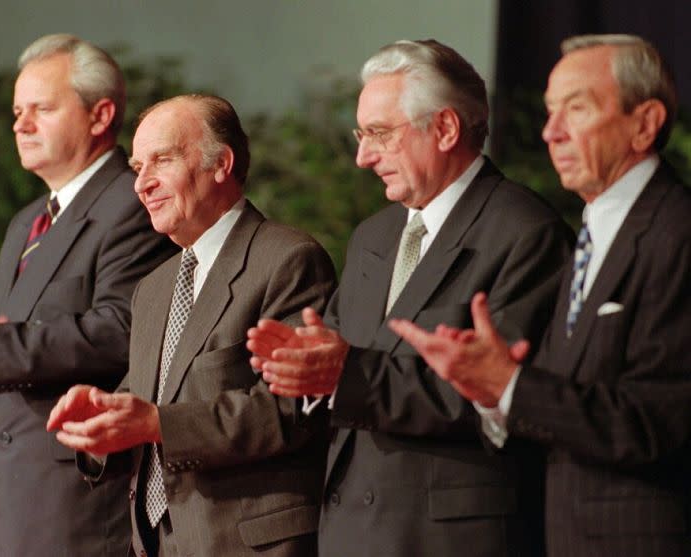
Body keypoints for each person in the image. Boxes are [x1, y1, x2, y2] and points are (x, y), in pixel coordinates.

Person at [246, 39, 574, 556]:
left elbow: (503, 397)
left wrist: (341, 374)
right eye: (361, 135)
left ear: (444, 128)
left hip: (447, 539)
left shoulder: (523, 231)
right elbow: (339, 367)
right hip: (351, 533)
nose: (362, 157)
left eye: (379, 134)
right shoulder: (373, 237)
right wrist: (302, 369)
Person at [389, 34, 691, 556]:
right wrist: (492, 393)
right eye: (551, 112)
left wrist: (510, 385)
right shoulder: (595, 233)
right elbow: (571, 402)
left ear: (644, 124)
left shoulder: (676, 233)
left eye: (577, 110)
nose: (551, 132)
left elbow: (656, 422)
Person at [0, 34, 176, 556]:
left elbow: (125, 331)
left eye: (41, 109)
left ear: (100, 116)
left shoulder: (132, 205)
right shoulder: (29, 219)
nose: (20, 125)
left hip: (64, 506)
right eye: (16, 112)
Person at [47, 94, 337, 557]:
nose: (142, 184)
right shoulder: (154, 288)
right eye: (137, 167)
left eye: (161, 160)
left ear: (221, 163)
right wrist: (101, 418)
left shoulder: (288, 260)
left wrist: (158, 423)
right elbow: (148, 398)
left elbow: (291, 412)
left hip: (247, 544)